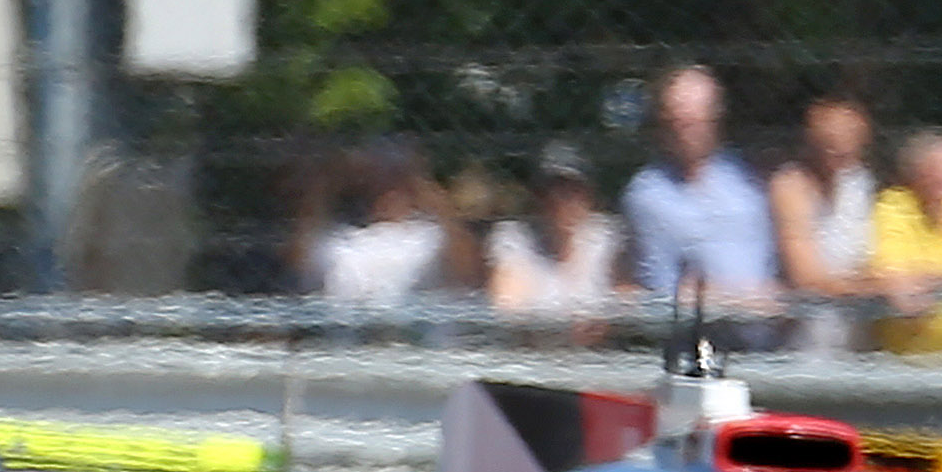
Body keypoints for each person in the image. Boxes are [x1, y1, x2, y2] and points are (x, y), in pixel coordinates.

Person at [622, 64, 783, 326]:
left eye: (700, 117)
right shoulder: (648, 195)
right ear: (663, 120)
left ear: (717, 117)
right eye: (680, 120)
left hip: (776, 329)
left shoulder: (750, 178)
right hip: (699, 336)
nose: (690, 128)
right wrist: (737, 302)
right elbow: (663, 294)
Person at [861, 126, 942, 355]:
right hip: (910, 356)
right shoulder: (893, 206)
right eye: (937, 169)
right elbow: (894, 277)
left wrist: (933, 276)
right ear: (915, 173)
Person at [769, 91, 878, 353]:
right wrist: (878, 286)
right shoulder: (791, 185)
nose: (841, 150)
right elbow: (806, 278)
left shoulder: (861, 183)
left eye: (851, 141)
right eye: (831, 142)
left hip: (859, 341)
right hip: (806, 343)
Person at [483, 144, 622, 326]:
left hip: (595, 351)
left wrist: (605, 323)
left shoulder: (604, 237)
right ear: (538, 197)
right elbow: (508, 310)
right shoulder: (514, 239)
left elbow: (626, 300)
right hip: (530, 352)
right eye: (554, 191)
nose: (564, 202)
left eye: (575, 192)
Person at [314, 146, 451, 306]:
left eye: (396, 178)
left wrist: (428, 193)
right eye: (375, 178)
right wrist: (326, 184)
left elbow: (469, 273)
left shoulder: (431, 236)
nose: (387, 190)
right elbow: (298, 260)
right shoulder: (337, 240)